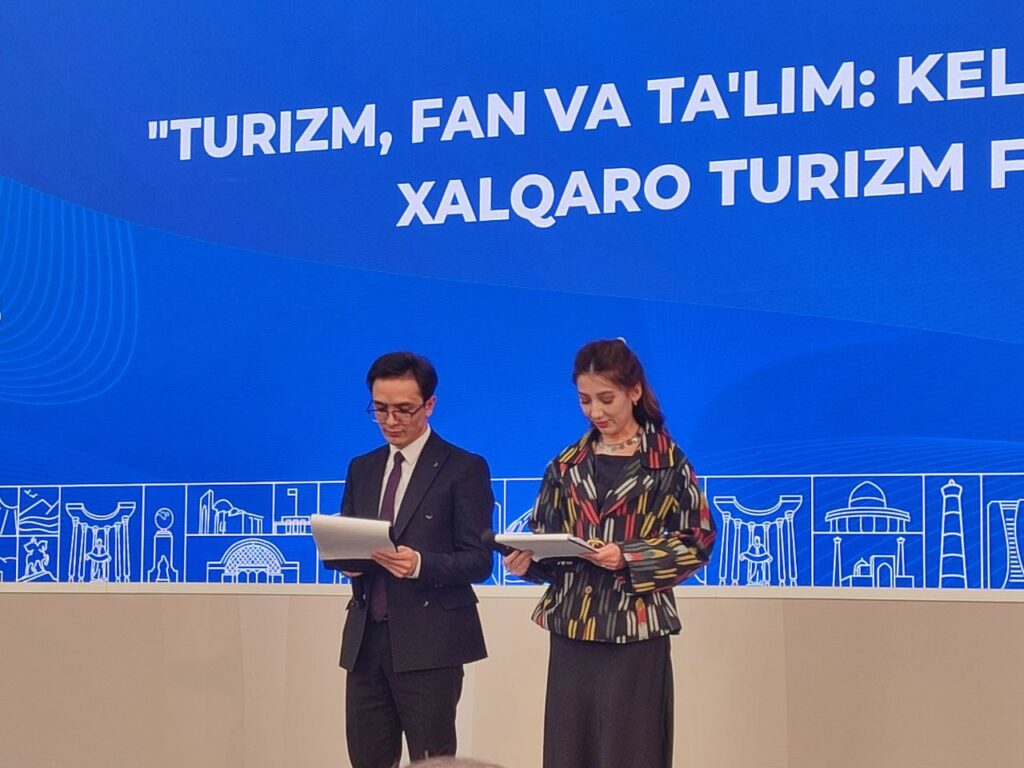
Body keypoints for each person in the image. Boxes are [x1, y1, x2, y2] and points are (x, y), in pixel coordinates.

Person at [504, 338, 716, 768]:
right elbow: (546, 537)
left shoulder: (668, 462)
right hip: (573, 627)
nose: (595, 412)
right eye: (585, 400)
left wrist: (630, 556)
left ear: (634, 392)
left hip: (635, 628)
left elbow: (698, 540)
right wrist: (528, 562)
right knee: (570, 751)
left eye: (606, 399)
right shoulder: (565, 465)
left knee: (632, 750)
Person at [338, 351, 494, 768]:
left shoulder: (463, 468)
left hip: (431, 644)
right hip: (366, 642)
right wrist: (345, 560)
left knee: (432, 759)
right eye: (380, 409)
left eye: (403, 409)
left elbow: (479, 560)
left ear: (429, 405)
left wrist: (421, 564)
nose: (391, 420)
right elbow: (346, 540)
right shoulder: (362, 468)